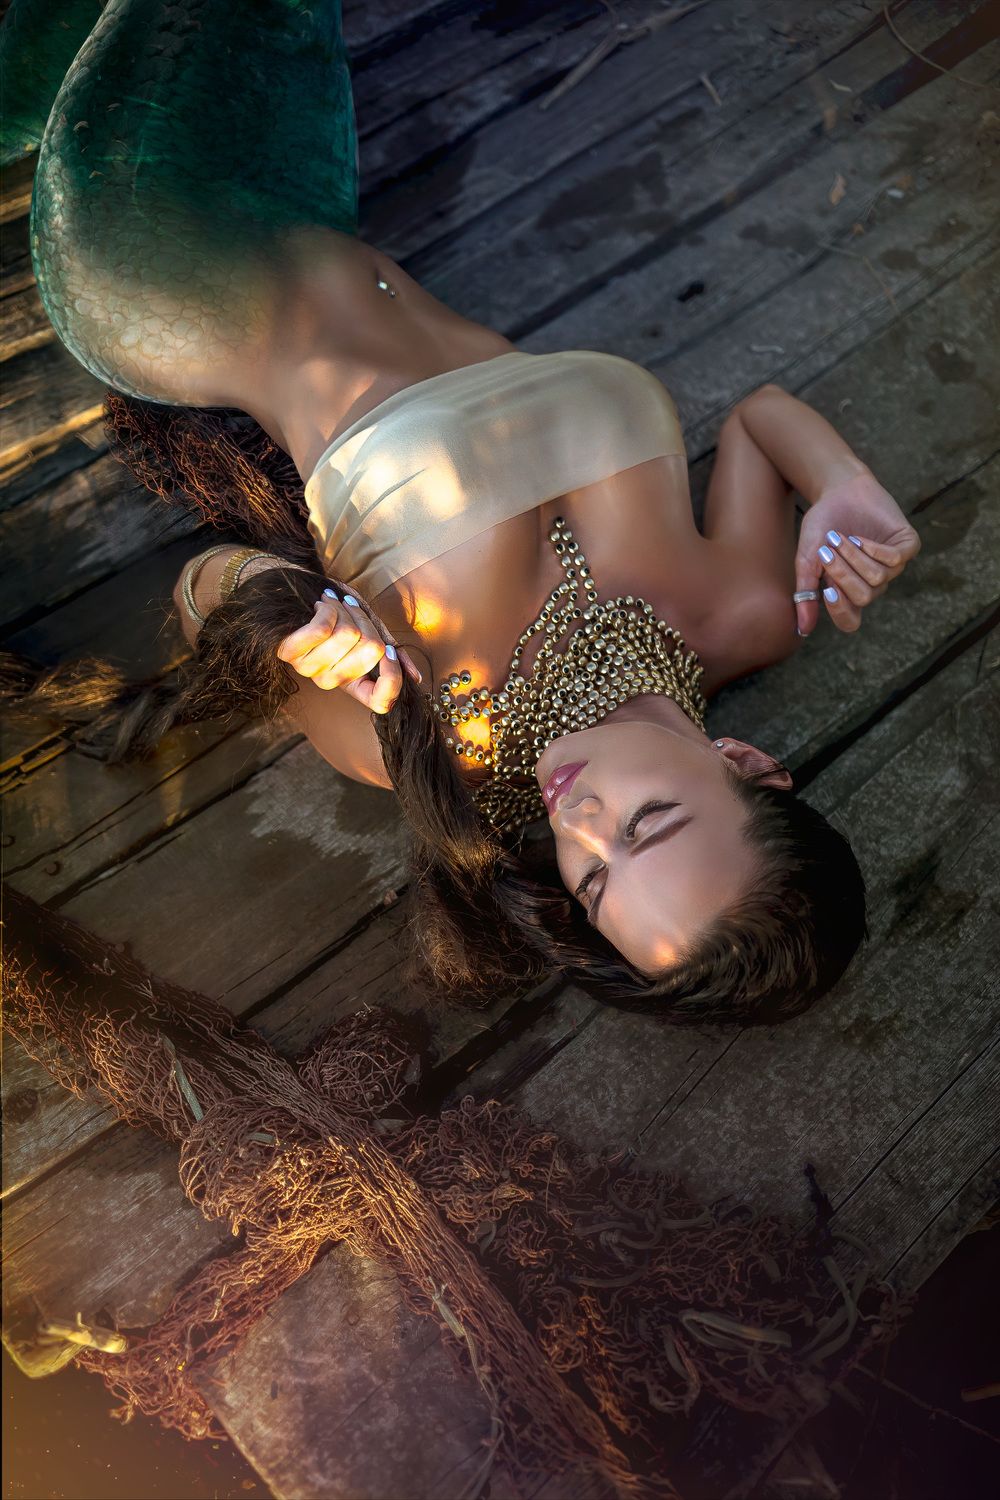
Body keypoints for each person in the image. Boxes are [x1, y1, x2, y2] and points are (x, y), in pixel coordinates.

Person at [3, 0, 920, 1021]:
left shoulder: (423, 742)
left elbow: (196, 591)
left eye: (592, 880)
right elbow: (759, 420)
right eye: (646, 823)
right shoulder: (743, 616)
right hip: (300, 193)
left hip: (164, 259)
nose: (579, 821)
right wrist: (845, 486)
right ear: (745, 764)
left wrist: (283, 598)